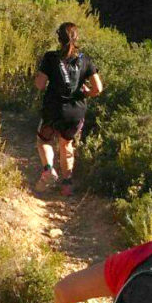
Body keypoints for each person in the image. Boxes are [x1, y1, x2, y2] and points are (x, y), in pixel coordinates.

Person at [34, 22, 102, 195]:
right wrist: (86, 93)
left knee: (44, 140)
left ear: (58, 38)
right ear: (76, 38)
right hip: (75, 112)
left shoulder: (50, 57)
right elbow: (98, 89)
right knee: (67, 144)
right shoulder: (85, 59)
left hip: (53, 109)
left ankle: (48, 169)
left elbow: (40, 85)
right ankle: (67, 185)